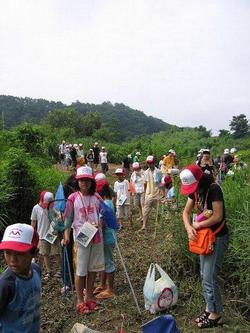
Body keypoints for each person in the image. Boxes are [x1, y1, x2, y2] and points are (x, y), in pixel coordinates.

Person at [180, 164, 229, 329]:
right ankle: (210, 309)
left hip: (217, 238)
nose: (193, 190)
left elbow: (218, 216)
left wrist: (197, 226)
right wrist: (189, 228)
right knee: (203, 274)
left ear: (200, 179)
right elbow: (185, 213)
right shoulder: (196, 191)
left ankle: (217, 315)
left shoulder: (214, 189)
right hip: (204, 240)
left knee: (210, 277)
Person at [63, 166, 105, 314]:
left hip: (96, 236)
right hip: (81, 239)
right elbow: (67, 220)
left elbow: (104, 214)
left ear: (92, 181)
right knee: (80, 271)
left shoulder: (97, 197)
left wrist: (106, 222)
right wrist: (66, 236)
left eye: (87, 180)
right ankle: (80, 300)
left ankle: (90, 297)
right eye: (82, 180)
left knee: (93, 269)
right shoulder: (72, 198)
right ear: (77, 181)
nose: (84, 183)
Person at [0, 223, 41, 333]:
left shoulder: (36, 271)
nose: (13, 259)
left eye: (20, 253)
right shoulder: (6, 284)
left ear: (34, 253)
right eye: (8, 253)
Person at [31, 191, 61, 280]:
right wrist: (32, 233)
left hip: (53, 233)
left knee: (56, 252)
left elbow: (59, 216)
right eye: (47, 203)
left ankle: (60, 269)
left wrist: (57, 221)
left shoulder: (52, 206)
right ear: (41, 200)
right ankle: (49, 271)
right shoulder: (36, 208)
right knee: (45, 254)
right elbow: (33, 221)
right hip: (42, 235)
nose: (48, 205)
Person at [94, 182, 117, 300]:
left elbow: (101, 224)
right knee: (104, 262)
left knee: (108, 262)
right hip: (109, 236)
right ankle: (102, 284)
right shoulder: (108, 202)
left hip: (106, 238)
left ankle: (110, 289)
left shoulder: (104, 204)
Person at [140, 155, 162, 231]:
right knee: (146, 210)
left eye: (151, 163)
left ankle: (158, 224)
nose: (149, 164)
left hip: (157, 193)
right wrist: (144, 194)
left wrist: (161, 192)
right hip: (148, 194)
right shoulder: (146, 172)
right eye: (148, 163)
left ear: (154, 163)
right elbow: (145, 183)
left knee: (159, 210)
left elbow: (161, 183)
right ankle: (144, 225)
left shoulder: (158, 172)